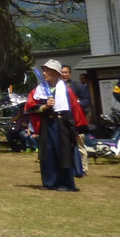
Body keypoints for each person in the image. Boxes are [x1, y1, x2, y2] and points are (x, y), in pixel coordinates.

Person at [28, 59, 80, 192]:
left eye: (48, 71)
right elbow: (30, 107)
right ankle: (50, 182)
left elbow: (74, 108)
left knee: (64, 153)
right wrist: (44, 106)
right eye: (44, 70)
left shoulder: (66, 90)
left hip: (62, 123)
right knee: (48, 154)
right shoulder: (38, 91)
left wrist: (75, 129)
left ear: (56, 73)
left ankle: (66, 183)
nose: (45, 73)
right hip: (47, 124)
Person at [62, 65, 90, 176]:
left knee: (80, 144)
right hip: (63, 120)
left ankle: (83, 168)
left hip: (76, 120)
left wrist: (76, 104)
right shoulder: (57, 86)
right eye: (62, 72)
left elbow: (87, 100)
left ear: (70, 74)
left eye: (66, 72)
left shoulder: (77, 86)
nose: (64, 74)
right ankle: (69, 168)